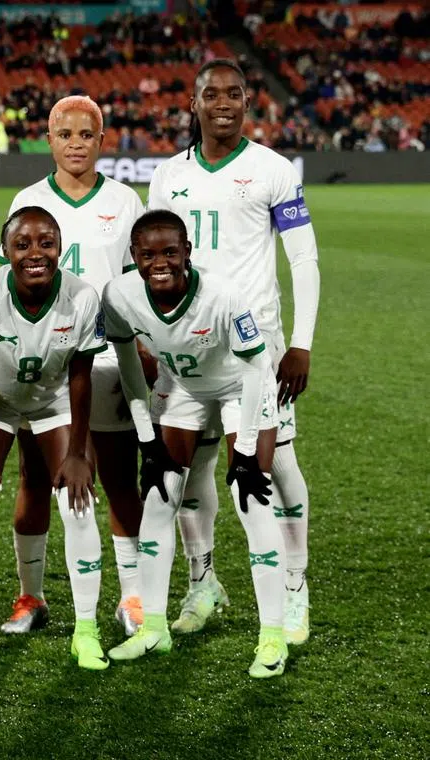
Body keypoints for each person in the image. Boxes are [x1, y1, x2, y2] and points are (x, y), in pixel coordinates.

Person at [148, 59, 319, 644]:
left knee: (277, 468)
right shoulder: (169, 175)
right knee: (190, 469)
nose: (223, 102)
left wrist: (299, 343)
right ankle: (203, 581)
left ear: (249, 103)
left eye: (235, 93)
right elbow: (151, 266)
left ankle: (295, 588)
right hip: (185, 349)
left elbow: (304, 260)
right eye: (211, 94)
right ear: (193, 104)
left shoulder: (273, 170)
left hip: (256, 352)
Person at [103, 210, 288, 679]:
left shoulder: (224, 296)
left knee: (252, 500)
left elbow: (253, 370)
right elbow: (128, 364)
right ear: (134, 258)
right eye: (148, 254)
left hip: (239, 387)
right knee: (159, 499)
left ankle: (273, 636)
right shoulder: (119, 295)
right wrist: (146, 437)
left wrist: (245, 450)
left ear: (187, 251)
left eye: (170, 252)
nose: (160, 262)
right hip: (181, 386)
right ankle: (154, 629)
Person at [0, 206, 109, 672]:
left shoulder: (82, 297)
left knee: (80, 503)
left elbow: (81, 376)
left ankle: (86, 631)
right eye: (23, 244)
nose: (36, 253)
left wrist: (77, 451)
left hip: (54, 402)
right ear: (5, 251)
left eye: (46, 243)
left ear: (60, 247)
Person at [2, 95, 148, 637]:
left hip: (110, 359)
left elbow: (138, 282)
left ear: (102, 139)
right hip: (42, 361)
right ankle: (31, 597)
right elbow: (12, 281)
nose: (75, 145)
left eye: (86, 135)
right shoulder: (29, 199)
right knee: (34, 479)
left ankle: (131, 597)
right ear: (49, 137)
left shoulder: (125, 201)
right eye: (65, 135)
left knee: (116, 477)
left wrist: (145, 347)